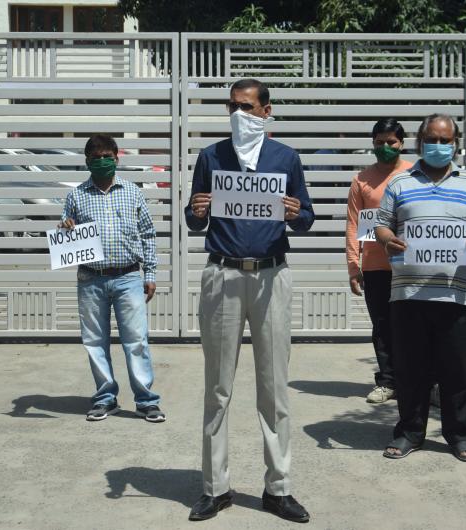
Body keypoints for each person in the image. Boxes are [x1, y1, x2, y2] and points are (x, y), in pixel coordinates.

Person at [185, 79, 314, 523]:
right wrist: (197, 210)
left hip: (271, 276)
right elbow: (192, 219)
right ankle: (214, 487)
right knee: (218, 388)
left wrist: (297, 213)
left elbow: (307, 219)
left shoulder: (285, 159)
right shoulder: (212, 157)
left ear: (266, 111)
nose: (238, 113)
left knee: (274, 387)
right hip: (222, 274)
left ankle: (278, 488)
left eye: (246, 106)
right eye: (232, 107)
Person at [374, 113, 466, 463]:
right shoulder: (399, 184)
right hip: (408, 295)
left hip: (456, 295)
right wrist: (387, 239)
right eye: (432, 139)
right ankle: (410, 431)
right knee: (411, 370)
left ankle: (459, 434)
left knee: (457, 370)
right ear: (419, 142)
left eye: (446, 140)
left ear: (455, 144)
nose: (439, 146)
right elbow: (382, 225)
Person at [59, 134, 163, 423]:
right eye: (96, 157)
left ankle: (146, 401)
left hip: (128, 277)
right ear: (87, 162)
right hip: (91, 279)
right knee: (95, 341)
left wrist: (150, 273)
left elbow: (148, 235)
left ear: (117, 158)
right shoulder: (76, 196)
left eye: (107, 156)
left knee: (137, 341)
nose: (102, 161)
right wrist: (67, 227)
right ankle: (105, 398)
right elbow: (67, 233)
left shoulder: (132, 192)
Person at [345, 118, 413, 403]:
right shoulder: (361, 180)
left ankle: (423, 384)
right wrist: (353, 265)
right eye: (380, 143)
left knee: (416, 327)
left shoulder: (416, 174)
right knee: (383, 327)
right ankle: (387, 381)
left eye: (391, 142)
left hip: (414, 265)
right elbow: (353, 224)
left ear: (402, 143)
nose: (385, 147)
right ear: (373, 144)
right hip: (376, 266)